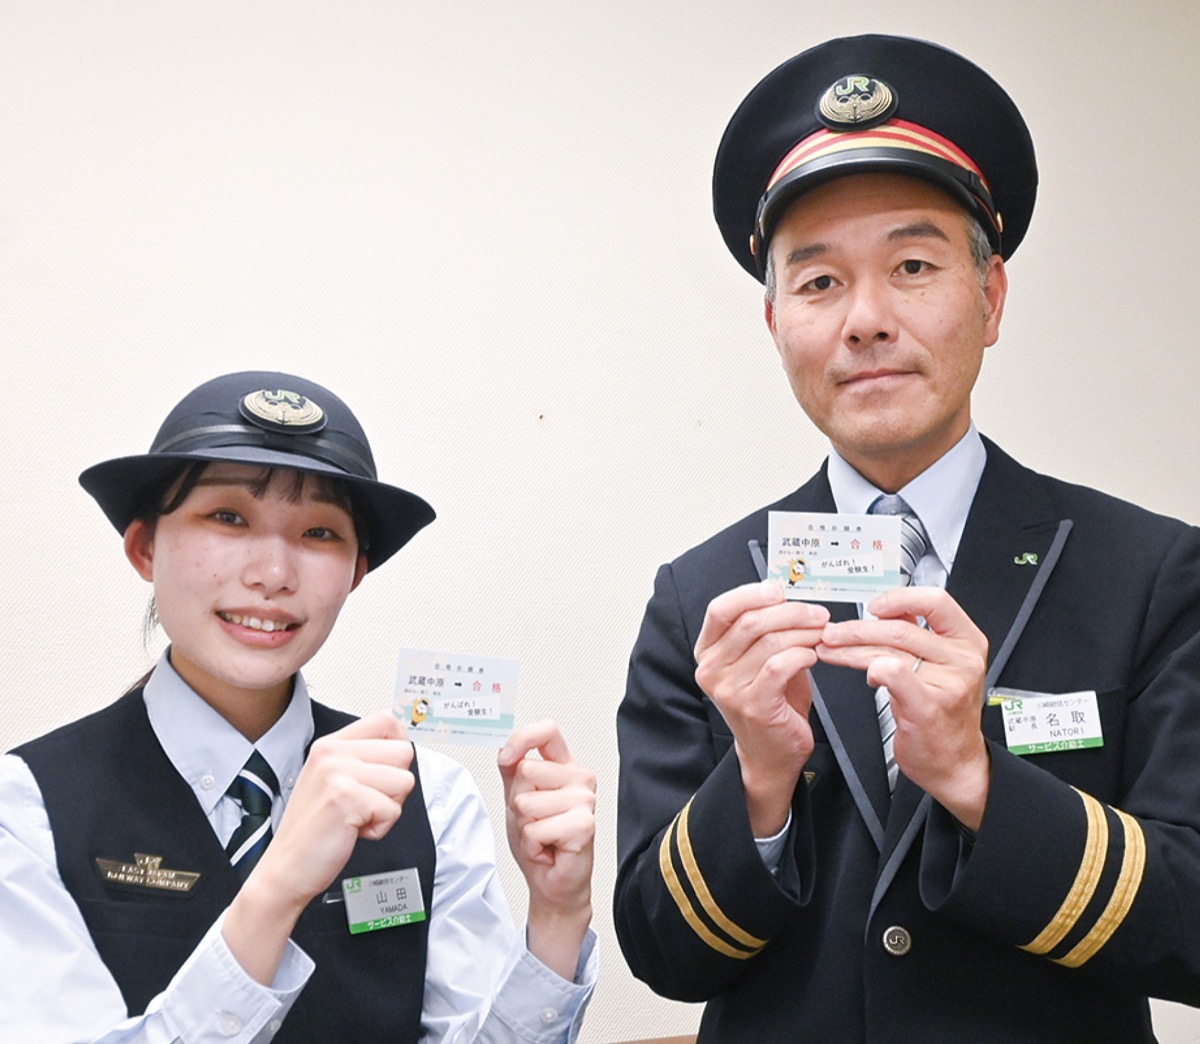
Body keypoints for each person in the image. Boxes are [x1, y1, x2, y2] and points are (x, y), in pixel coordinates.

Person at [613, 33, 1200, 1042]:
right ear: (775, 327)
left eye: (913, 265)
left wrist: (980, 780)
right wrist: (757, 782)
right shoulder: (704, 599)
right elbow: (662, 954)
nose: (867, 320)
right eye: (818, 283)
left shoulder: (1149, 573)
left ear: (992, 297)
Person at [0, 371, 597, 1042]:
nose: (274, 574)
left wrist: (557, 916)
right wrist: (276, 888)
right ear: (145, 547)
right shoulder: (25, 809)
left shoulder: (431, 798)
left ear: (356, 572)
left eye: (318, 532)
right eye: (228, 517)